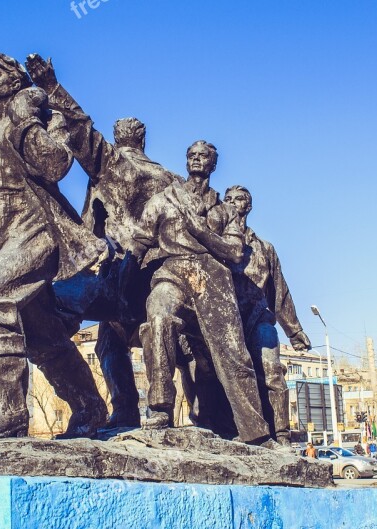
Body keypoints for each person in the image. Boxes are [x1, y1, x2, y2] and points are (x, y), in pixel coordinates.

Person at [0, 53, 109, 439]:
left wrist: (26, 118)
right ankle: (90, 407)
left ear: (17, 78)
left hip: (31, 228)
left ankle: (12, 412)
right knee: (42, 335)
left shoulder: (34, 115)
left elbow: (55, 165)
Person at [25, 54, 180, 428]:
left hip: (123, 277)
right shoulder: (172, 179)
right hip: (162, 276)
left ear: (118, 140)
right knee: (109, 341)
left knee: (47, 303)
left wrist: (51, 86)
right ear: (144, 139)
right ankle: (130, 411)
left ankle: (105, 404)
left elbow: (80, 130)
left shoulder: (113, 165)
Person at [132, 140, 272, 446]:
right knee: (158, 317)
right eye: (192, 156)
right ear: (186, 162)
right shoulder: (163, 200)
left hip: (213, 278)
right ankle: (159, 409)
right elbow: (140, 242)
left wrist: (201, 232)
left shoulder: (224, 211)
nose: (197, 160)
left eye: (203, 156)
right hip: (172, 270)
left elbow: (236, 252)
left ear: (213, 164)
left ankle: (255, 432)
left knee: (235, 352)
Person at [222, 185, 311, 445]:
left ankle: (281, 433)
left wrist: (294, 331)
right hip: (227, 320)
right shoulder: (215, 242)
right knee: (235, 374)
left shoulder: (264, 248)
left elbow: (279, 291)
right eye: (227, 199)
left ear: (248, 207)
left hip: (259, 316)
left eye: (238, 199)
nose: (232, 203)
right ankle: (237, 430)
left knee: (272, 371)